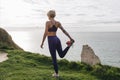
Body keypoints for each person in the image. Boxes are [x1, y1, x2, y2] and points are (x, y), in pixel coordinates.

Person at [40, 10, 75, 77]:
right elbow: (64, 31)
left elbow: (45, 33)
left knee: (54, 59)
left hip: (51, 40)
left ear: (49, 16)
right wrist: (70, 38)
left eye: (47, 15)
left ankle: (56, 74)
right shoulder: (58, 23)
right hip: (57, 39)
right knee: (61, 55)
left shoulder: (47, 23)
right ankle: (69, 45)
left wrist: (42, 43)